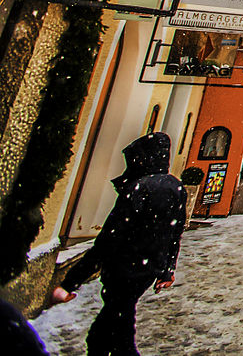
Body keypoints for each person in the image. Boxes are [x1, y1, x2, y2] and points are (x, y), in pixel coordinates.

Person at [52, 133, 185, 356]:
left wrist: (71, 281)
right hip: (147, 269)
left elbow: (109, 239)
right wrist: (167, 270)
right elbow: (174, 233)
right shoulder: (175, 188)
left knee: (115, 338)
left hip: (124, 269)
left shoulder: (139, 188)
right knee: (107, 333)